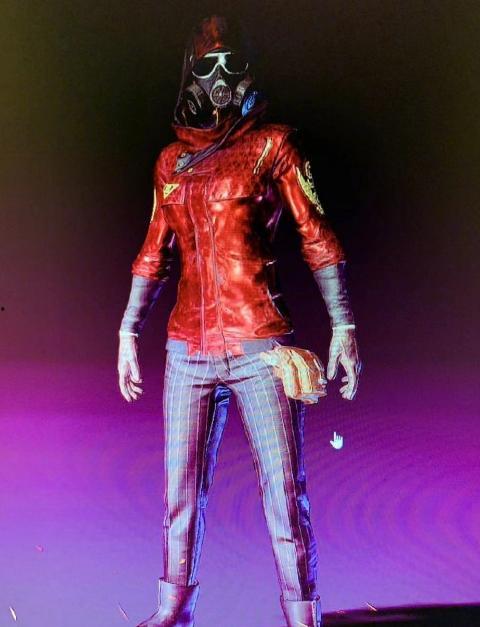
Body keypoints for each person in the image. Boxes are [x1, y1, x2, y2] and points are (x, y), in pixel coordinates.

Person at [117, 15, 362, 627]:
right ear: (191, 72)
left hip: (261, 349)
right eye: (209, 64)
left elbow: (316, 234)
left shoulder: (274, 145)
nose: (220, 76)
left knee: (283, 494)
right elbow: (154, 250)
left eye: (231, 63)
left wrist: (344, 325)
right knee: (180, 493)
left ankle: (302, 616)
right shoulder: (172, 162)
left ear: (248, 69)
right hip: (187, 351)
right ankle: (172, 612)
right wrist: (127, 331)